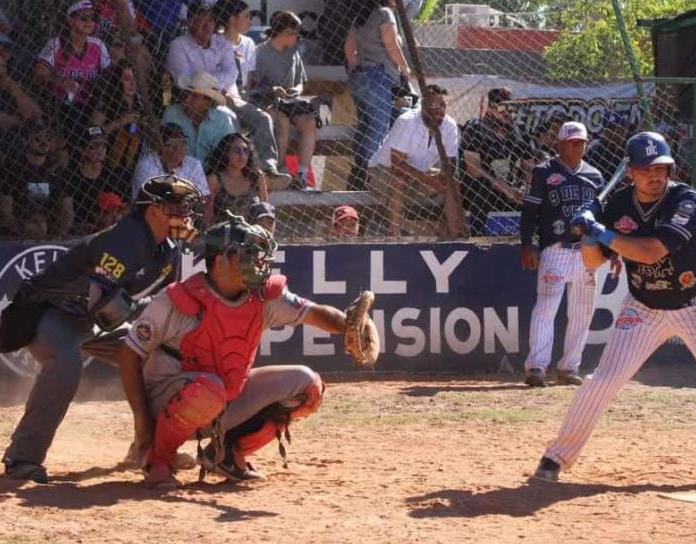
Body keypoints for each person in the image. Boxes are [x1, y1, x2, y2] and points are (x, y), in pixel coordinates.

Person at [532, 131, 696, 489]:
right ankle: (556, 457)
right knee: (602, 381)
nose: (655, 176)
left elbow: (651, 251)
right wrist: (588, 235)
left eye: (661, 168)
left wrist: (601, 232)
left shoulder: (686, 199)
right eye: (646, 169)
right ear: (631, 172)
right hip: (643, 307)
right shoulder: (616, 205)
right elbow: (591, 263)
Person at [117, 215, 368, 488]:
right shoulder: (177, 299)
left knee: (307, 385)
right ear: (220, 260)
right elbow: (129, 353)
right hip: (165, 401)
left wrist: (349, 327)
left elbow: (315, 313)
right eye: (245, 254)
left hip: (222, 395)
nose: (257, 262)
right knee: (208, 389)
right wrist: (142, 420)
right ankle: (159, 459)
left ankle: (225, 455)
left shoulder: (262, 295)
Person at [0, 175, 202, 484]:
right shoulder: (127, 238)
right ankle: (22, 458)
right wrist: (146, 313)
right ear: (153, 211)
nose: (185, 216)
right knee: (66, 362)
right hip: (51, 311)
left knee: (165, 355)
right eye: (176, 207)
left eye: (186, 208)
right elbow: (104, 310)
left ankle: (149, 447)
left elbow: (165, 304)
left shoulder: (169, 248)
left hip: (90, 320)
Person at [167, 0, 291, 189]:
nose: (208, 26)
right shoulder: (178, 45)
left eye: (211, 21)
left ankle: (269, 170)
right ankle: (233, 176)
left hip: (229, 98)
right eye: (202, 21)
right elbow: (183, 80)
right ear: (191, 21)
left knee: (263, 118)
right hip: (195, 99)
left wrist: (205, 81)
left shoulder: (222, 43)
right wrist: (214, 82)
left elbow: (231, 73)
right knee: (230, 120)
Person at [519, 121, 604, 387]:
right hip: (555, 247)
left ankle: (569, 367)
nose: (577, 147)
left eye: (581, 142)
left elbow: (603, 216)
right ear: (559, 144)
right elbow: (530, 211)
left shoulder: (595, 176)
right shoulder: (544, 172)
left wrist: (609, 251)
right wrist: (527, 244)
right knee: (546, 308)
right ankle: (536, 366)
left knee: (583, 311)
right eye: (572, 142)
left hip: (588, 250)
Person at [367, 84, 458, 237]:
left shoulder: (450, 126)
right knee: (399, 179)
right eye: (435, 105)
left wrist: (443, 177)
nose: (440, 111)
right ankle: (395, 235)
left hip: (420, 174)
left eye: (443, 105)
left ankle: (455, 234)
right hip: (383, 172)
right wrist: (429, 180)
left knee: (454, 183)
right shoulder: (407, 121)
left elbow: (450, 164)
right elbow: (397, 166)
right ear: (423, 105)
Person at [343, 0, 412, 191]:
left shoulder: (363, 15)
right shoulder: (384, 14)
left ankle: (358, 171)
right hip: (378, 77)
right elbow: (391, 46)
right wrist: (404, 68)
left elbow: (349, 46)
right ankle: (368, 174)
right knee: (378, 129)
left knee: (365, 126)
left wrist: (356, 65)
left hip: (360, 76)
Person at [251, 10, 318, 191]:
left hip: (291, 102)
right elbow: (253, 86)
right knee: (282, 122)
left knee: (309, 122)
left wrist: (293, 91)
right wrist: (273, 91)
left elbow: (300, 85)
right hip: (267, 101)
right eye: (295, 33)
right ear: (284, 32)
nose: (297, 37)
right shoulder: (260, 52)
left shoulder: (294, 54)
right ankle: (278, 170)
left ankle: (302, 175)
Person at [459, 87, 527, 236]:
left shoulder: (515, 131)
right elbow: (473, 168)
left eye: (511, 108)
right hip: (484, 190)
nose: (508, 113)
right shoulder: (475, 129)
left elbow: (529, 163)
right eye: (502, 107)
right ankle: (477, 237)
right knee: (479, 185)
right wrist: (505, 189)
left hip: (512, 188)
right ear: (490, 108)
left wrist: (527, 185)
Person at [35, 1, 111, 110]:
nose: (89, 22)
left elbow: (108, 74)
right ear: (70, 20)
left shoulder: (98, 44)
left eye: (94, 18)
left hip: (91, 103)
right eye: (84, 18)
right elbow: (40, 72)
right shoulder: (56, 43)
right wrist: (61, 81)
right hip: (60, 104)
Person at [57, 125, 132, 234]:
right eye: (94, 145)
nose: (100, 150)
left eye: (104, 145)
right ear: (81, 149)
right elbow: (68, 213)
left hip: (112, 225)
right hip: (81, 230)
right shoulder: (70, 176)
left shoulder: (114, 174)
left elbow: (126, 208)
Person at [162, 71, 240, 164]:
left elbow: (229, 156)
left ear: (207, 102)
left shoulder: (223, 121)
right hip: (178, 170)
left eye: (194, 96)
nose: (186, 100)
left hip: (212, 174)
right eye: (186, 94)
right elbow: (166, 149)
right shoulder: (172, 113)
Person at [89, 59, 148, 172]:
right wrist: (119, 123)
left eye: (135, 79)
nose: (132, 83)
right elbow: (90, 131)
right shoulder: (107, 102)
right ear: (118, 80)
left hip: (135, 162)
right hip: (108, 162)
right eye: (127, 79)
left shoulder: (140, 104)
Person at [203, 132, 268, 226]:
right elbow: (207, 215)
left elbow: (265, 213)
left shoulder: (257, 177)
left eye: (245, 150)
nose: (242, 155)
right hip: (223, 235)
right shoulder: (214, 179)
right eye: (236, 150)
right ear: (226, 153)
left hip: (252, 235)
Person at [131, 122, 209, 199]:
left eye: (182, 143)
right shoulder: (146, 166)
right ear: (160, 147)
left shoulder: (194, 164)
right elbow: (151, 200)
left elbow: (203, 197)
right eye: (172, 145)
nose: (178, 149)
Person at [584, 110, 630, 181]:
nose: (613, 132)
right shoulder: (595, 149)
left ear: (624, 130)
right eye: (610, 128)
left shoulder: (629, 148)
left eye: (617, 129)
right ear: (604, 130)